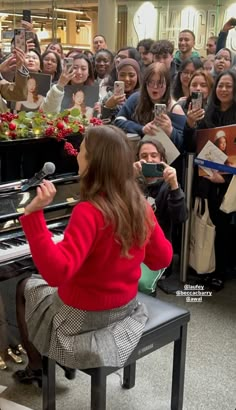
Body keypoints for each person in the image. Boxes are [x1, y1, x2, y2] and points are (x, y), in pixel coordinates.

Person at [13, 125, 172, 386]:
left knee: (23, 286)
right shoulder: (139, 204)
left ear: (94, 162)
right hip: (125, 309)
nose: (77, 155)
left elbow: (55, 274)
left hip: (82, 318)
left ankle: (36, 364)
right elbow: (162, 259)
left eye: (82, 151)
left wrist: (34, 216)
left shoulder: (89, 211)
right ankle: (53, 360)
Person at [183, 69, 236, 285]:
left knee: (225, 228)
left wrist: (225, 178)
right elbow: (190, 147)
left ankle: (221, 271)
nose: (223, 90)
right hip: (206, 178)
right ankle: (205, 266)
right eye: (220, 86)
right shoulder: (206, 113)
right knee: (207, 223)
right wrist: (190, 125)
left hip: (230, 182)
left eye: (228, 86)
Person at [114, 62, 186, 151]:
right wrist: (142, 129)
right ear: (145, 84)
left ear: (167, 85)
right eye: (151, 82)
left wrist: (170, 131)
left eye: (160, 83)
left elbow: (185, 145)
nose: (155, 87)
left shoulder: (175, 109)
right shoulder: (136, 98)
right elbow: (118, 121)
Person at [134, 138, 188, 241]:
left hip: (160, 246)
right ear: (138, 159)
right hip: (135, 246)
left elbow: (180, 217)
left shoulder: (169, 185)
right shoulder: (131, 183)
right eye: (144, 156)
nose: (149, 160)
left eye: (154, 155)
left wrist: (174, 186)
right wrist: (127, 178)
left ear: (161, 159)